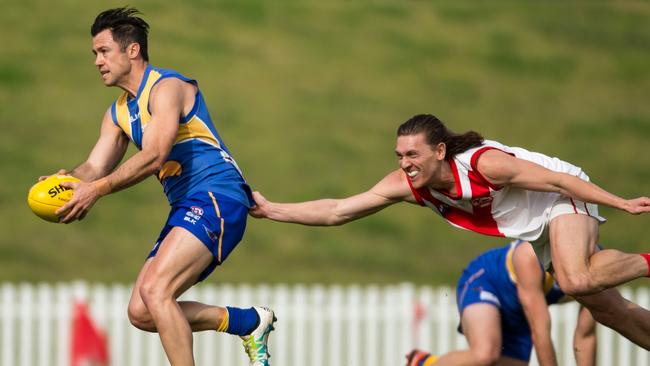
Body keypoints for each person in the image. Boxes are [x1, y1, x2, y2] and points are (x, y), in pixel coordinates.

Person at [250, 113, 650, 349]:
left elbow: (559, 183)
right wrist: (271, 210)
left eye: (413, 154)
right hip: (534, 227)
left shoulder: (484, 165)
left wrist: (622, 202)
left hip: (560, 195)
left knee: (576, 280)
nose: (405, 164)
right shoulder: (407, 185)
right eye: (400, 156)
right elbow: (338, 210)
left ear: (440, 151)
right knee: (609, 310)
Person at [43, 7, 276, 366]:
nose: (97, 61)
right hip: (187, 204)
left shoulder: (167, 87)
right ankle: (247, 321)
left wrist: (98, 189)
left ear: (132, 50)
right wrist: (67, 183)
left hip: (218, 195)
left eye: (104, 51)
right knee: (141, 311)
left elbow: (155, 154)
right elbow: (94, 166)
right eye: (94, 54)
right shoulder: (118, 113)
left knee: (156, 290)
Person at [405, 240, 597, 366]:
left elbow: (586, 335)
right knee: (485, 354)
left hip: (522, 306)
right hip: (485, 281)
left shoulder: (598, 273)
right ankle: (425, 364)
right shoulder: (530, 256)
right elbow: (541, 333)